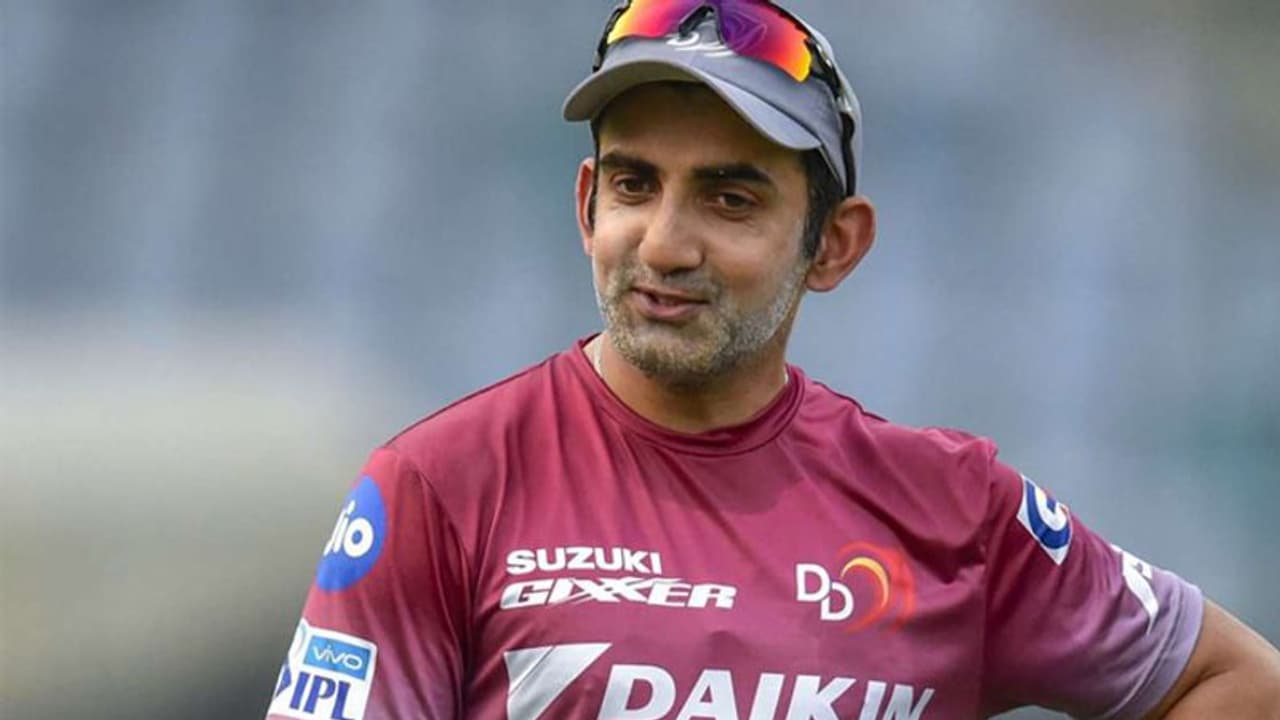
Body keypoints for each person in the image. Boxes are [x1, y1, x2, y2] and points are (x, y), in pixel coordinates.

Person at [265, 2, 1280, 718]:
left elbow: (1234, 683)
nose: (665, 243)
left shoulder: (953, 506)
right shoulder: (440, 487)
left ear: (833, 245)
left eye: (729, 198)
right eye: (634, 186)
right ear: (585, 207)